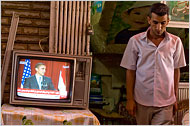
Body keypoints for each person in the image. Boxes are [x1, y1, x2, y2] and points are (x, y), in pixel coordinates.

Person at [120, 3, 186, 125]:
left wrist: (175, 98)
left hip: (166, 102)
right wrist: (130, 99)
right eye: (155, 22)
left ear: (168, 21)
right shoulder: (135, 41)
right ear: (149, 20)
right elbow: (130, 71)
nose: (159, 27)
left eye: (163, 23)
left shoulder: (176, 42)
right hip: (142, 101)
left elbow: (176, 71)